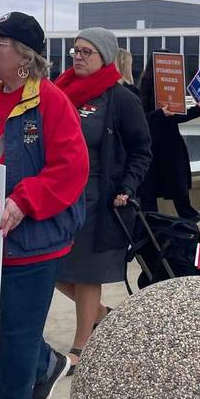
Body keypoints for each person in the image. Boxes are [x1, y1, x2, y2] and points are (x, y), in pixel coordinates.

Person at [0, 11, 89, 399]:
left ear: (24, 56)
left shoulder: (52, 102)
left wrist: (25, 199)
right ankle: (47, 365)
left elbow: (71, 169)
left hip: (34, 237)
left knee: (13, 327)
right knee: (2, 322)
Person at [53, 27, 152, 372]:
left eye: (86, 52)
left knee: (87, 272)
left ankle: (83, 344)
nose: (78, 57)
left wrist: (127, 186)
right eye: (75, 51)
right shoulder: (58, 92)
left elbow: (142, 149)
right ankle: (102, 316)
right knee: (51, 267)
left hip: (98, 198)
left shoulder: (121, 99)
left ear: (105, 57)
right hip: (59, 194)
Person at [138, 65, 200, 221]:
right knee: (176, 181)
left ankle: (151, 221)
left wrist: (195, 111)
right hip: (168, 143)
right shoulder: (168, 89)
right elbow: (173, 115)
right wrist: (195, 111)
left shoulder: (143, 89)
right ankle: (187, 214)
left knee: (150, 187)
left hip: (151, 143)